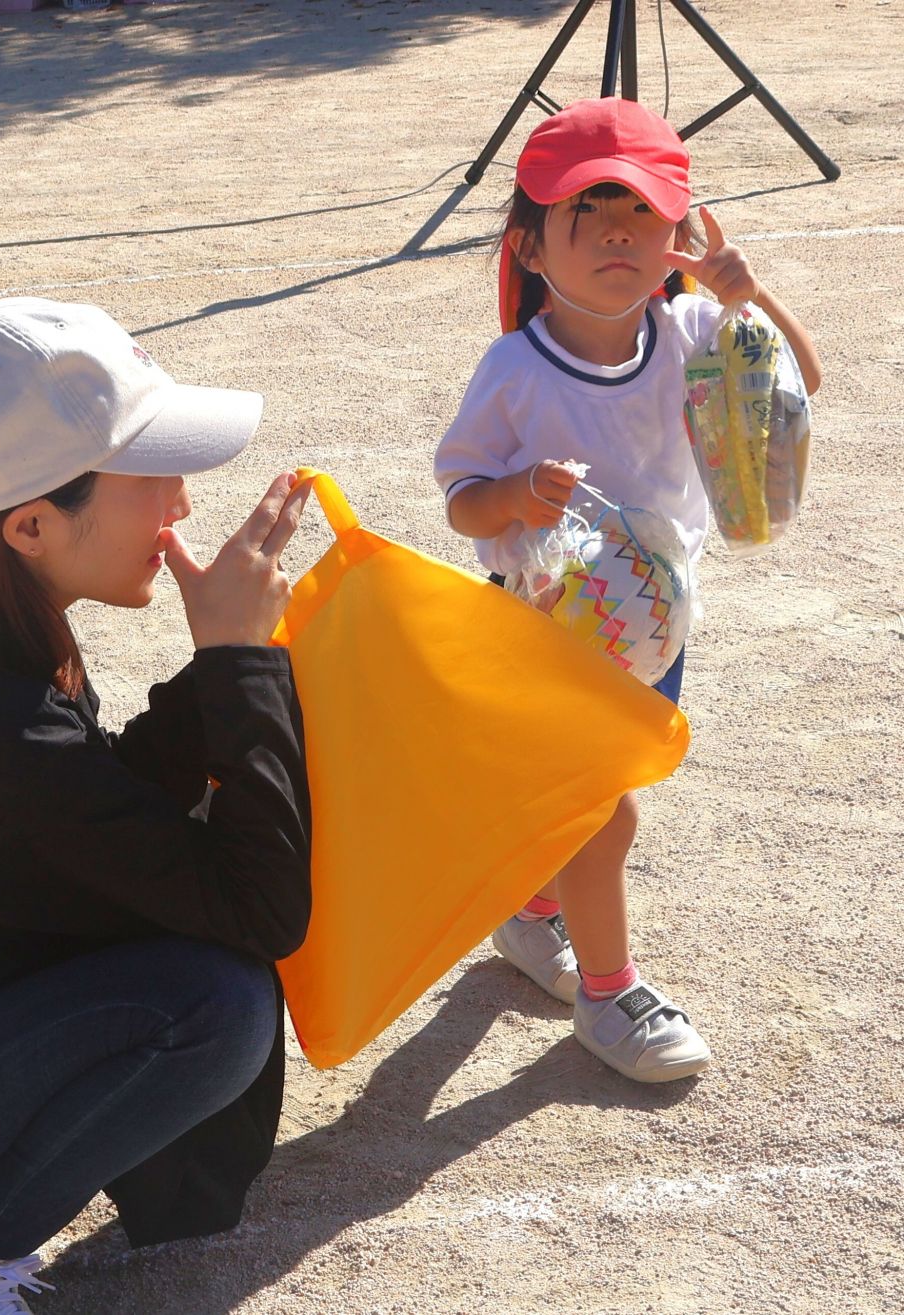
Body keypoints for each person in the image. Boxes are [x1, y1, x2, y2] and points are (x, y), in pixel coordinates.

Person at [0, 298, 313, 1313]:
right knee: (216, 1007)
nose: (179, 502)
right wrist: (236, 664)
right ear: (31, 522)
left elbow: (84, 808)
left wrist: (239, 666)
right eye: (151, 477)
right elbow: (261, 910)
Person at [434, 98, 821, 1084]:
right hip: (548, 623)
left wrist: (749, 299)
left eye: (641, 213)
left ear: (679, 234)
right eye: (587, 214)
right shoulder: (515, 369)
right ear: (527, 247)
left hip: (656, 620)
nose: (618, 233)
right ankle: (608, 994)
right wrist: (515, 492)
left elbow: (799, 391)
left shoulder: (697, 327)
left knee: (588, 799)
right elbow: (464, 505)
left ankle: (531, 915)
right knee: (605, 810)